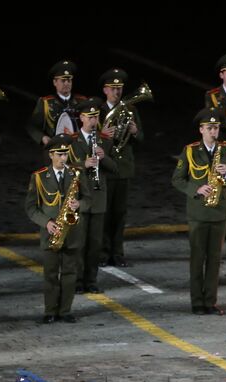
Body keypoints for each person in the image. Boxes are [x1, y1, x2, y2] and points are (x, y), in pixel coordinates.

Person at [172, 109, 226, 315]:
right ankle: (196, 302)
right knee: (197, 258)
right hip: (199, 212)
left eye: (217, 127)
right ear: (201, 130)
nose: (214, 131)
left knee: (214, 259)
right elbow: (177, 179)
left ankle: (210, 301)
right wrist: (196, 189)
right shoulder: (190, 151)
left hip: (220, 211)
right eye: (210, 128)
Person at [26, 139, 89, 323]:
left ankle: (65, 310)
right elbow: (31, 207)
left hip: (72, 231)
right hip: (51, 232)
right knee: (50, 274)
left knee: (70, 273)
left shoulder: (76, 174)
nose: (63, 158)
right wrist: (46, 223)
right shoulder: (38, 177)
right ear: (51, 155)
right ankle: (50, 311)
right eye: (59, 154)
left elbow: (88, 199)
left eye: (65, 154)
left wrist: (79, 204)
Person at [66, 99, 114, 293]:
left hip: (98, 198)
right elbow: (63, 167)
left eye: (96, 117)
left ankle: (91, 281)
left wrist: (105, 158)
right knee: (79, 242)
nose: (94, 121)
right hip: (78, 196)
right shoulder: (70, 140)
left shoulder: (105, 140)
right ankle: (77, 281)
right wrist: (81, 164)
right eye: (90, 117)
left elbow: (114, 169)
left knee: (95, 244)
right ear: (82, 118)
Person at [98, 68, 143, 268]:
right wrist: (103, 134)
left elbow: (141, 138)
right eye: (113, 88)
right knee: (105, 213)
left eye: (120, 88)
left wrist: (134, 131)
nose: (117, 92)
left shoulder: (130, 110)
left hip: (123, 168)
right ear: (105, 90)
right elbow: (88, 137)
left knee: (120, 213)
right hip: (105, 167)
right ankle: (102, 253)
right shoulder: (97, 111)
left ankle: (118, 253)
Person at [27, 61, 80, 146]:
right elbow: (32, 126)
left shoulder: (81, 101)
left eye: (69, 80)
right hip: (54, 149)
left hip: (77, 151)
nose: (66, 83)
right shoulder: (46, 102)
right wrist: (42, 137)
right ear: (55, 82)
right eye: (63, 80)